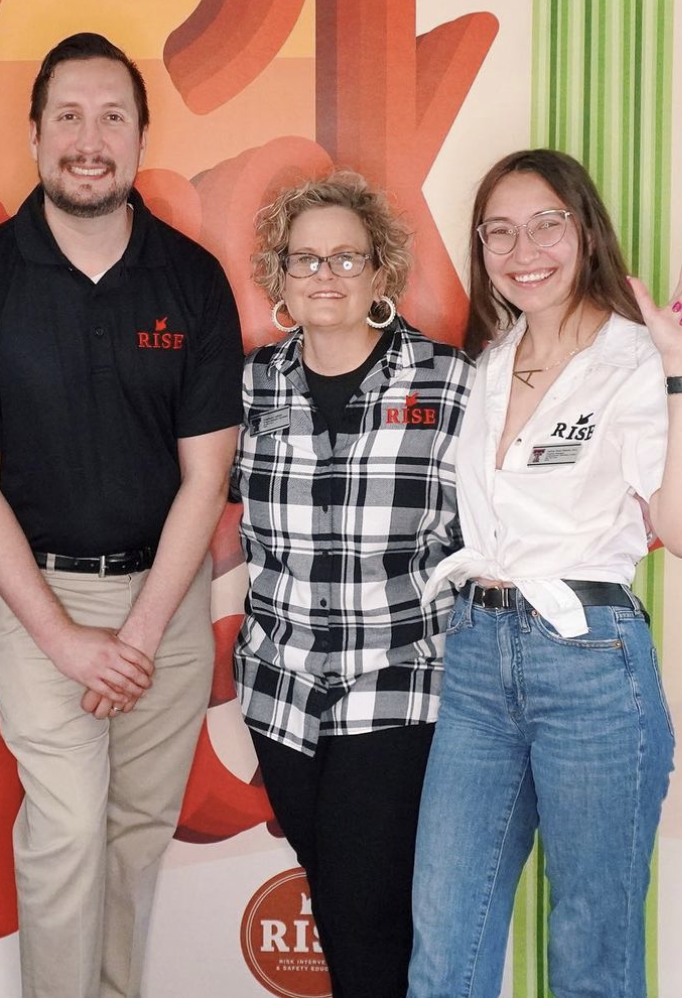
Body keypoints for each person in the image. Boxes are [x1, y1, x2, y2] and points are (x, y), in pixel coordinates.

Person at [0, 32, 243, 998]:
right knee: (63, 828)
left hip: (166, 596)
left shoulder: (190, 279)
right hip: (36, 595)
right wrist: (65, 640)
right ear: (33, 133)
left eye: (111, 117)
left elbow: (206, 476)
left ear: (141, 137)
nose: (88, 139)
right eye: (68, 116)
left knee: (135, 831)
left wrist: (138, 633)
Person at [407, 149, 682, 998]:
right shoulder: (486, 364)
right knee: (446, 942)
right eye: (499, 231)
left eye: (546, 223)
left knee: (591, 949)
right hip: (478, 660)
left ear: (584, 229)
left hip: (589, 661)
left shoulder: (638, 360)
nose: (524, 249)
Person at [233, 172, 473, 998]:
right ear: (280, 277)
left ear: (381, 271)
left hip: (397, 682)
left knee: (366, 910)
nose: (324, 274)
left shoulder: (450, 384)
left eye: (345, 256)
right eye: (304, 259)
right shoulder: (249, 385)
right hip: (279, 688)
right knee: (341, 906)